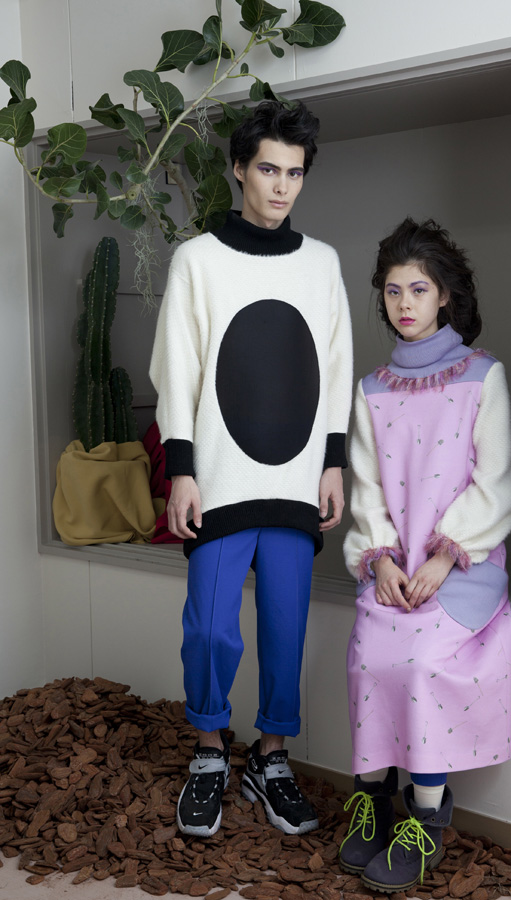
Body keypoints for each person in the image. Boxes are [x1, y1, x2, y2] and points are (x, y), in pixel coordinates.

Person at [149, 100, 353, 838]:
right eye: (268, 169)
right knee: (210, 630)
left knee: (285, 629)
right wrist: (181, 469)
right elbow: (178, 368)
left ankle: (271, 758)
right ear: (239, 169)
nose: (281, 186)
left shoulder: (321, 263)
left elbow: (335, 365)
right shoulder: (197, 261)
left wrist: (332, 463)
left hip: (296, 481)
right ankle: (210, 752)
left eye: (294, 173)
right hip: (219, 480)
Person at [340, 218, 511, 892]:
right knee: (366, 659)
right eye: (393, 291)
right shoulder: (372, 388)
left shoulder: (482, 377)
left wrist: (447, 557)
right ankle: (372, 802)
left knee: (417, 666)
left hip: (462, 569)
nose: (405, 303)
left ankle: (426, 820)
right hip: (393, 568)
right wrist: (382, 560)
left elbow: (496, 480)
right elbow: (366, 488)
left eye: (418, 289)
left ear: (445, 295)